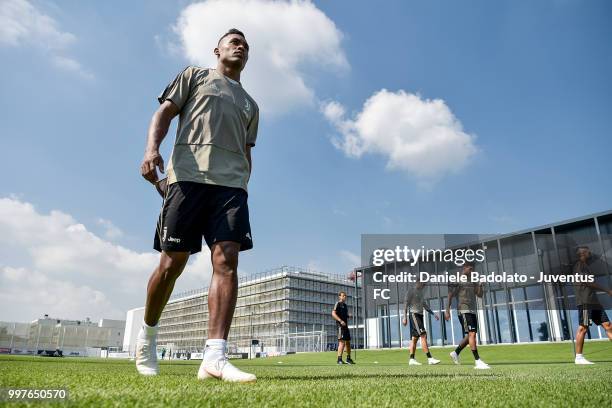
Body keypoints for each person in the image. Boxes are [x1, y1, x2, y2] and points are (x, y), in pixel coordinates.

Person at [136, 28, 259, 383]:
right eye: (234, 42)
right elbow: (163, 114)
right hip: (188, 178)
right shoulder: (194, 76)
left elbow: (247, 150)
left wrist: (244, 182)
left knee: (227, 260)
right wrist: (151, 150)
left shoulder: (252, 105)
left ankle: (214, 357)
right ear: (217, 50)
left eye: (245, 45)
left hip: (231, 187)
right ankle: (147, 339)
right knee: (171, 264)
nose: (240, 47)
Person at [445, 261, 490, 369]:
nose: (472, 271)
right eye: (470, 269)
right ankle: (477, 361)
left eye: (473, 269)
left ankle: (455, 353)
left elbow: (479, 295)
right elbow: (450, 295)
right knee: (472, 334)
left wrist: (481, 285)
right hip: (463, 309)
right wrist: (447, 310)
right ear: (464, 268)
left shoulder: (473, 281)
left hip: (472, 310)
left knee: (470, 335)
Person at [572, 246, 612, 365]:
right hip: (586, 303)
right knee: (583, 327)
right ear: (583, 253)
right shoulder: (579, 266)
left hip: (594, 303)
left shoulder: (585, 266)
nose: (590, 253)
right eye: (588, 251)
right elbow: (587, 281)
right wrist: (607, 290)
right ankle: (579, 358)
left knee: (608, 326)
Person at [402, 281, 440, 365]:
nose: (424, 286)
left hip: (420, 315)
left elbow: (425, 305)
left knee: (414, 338)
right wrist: (404, 317)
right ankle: (430, 358)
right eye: (423, 284)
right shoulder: (411, 291)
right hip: (414, 315)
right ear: (418, 282)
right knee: (423, 335)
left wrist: (433, 314)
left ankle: (411, 359)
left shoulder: (421, 293)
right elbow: (405, 304)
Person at [332, 291, 355, 365]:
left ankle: (348, 358)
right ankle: (339, 359)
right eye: (343, 296)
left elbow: (344, 315)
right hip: (340, 326)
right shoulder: (337, 304)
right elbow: (333, 313)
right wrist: (340, 320)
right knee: (341, 342)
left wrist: (348, 315)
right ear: (339, 296)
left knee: (348, 342)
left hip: (346, 326)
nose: (344, 297)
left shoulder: (345, 305)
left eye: (345, 296)